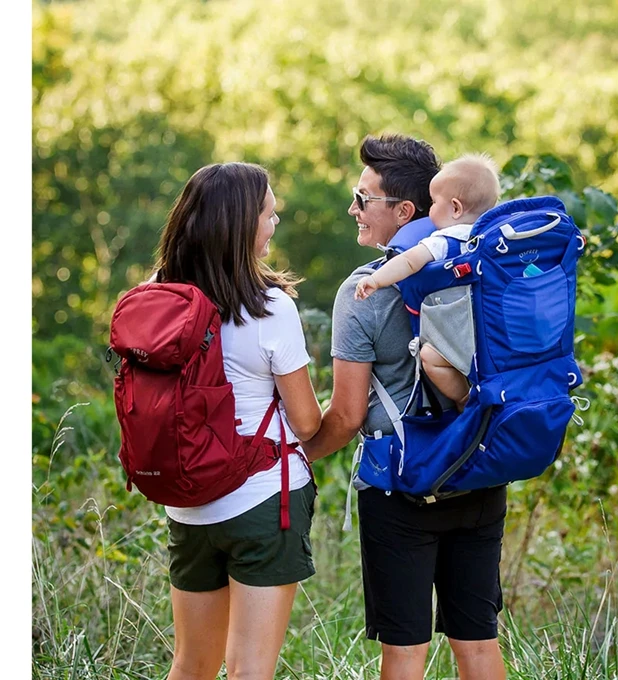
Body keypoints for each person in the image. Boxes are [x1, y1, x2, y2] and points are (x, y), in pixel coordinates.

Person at [303, 135, 507, 680]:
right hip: (478, 470)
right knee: (478, 643)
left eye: (362, 197)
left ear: (404, 211)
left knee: (405, 651)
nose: (353, 209)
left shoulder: (362, 291)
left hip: (401, 484)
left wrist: (295, 456)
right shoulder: (483, 267)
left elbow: (346, 416)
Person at [153, 162, 322, 680]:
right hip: (262, 500)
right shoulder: (270, 307)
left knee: (191, 665)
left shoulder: (156, 297)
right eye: (269, 214)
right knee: (249, 669)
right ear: (241, 225)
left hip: (188, 503)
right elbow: (306, 423)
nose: (275, 223)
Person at [354, 153, 501, 411]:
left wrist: (375, 280)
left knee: (429, 357)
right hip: (495, 334)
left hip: (459, 337)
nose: (429, 211)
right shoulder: (496, 238)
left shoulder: (445, 239)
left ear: (455, 208)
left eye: (433, 202)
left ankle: (465, 401)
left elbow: (409, 262)